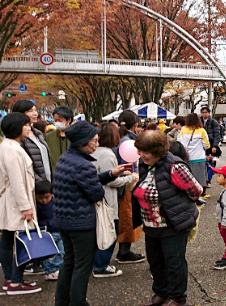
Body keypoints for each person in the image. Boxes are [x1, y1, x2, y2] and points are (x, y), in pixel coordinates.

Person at [53, 121, 131, 306]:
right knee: (82, 266)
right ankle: (78, 302)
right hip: (81, 223)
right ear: (83, 141)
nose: (97, 144)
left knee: (69, 262)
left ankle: (62, 301)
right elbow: (96, 192)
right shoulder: (84, 165)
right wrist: (109, 179)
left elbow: (85, 181)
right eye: (94, 141)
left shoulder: (66, 158)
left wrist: (110, 174)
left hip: (64, 219)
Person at [132, 131, 202, 306]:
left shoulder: (175, 166)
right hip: (150, 223)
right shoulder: (145, 164)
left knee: (174, 262)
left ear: (157, 150)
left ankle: (177, 298)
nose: (141, 155)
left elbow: (196, 190)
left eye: (145, 151)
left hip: (172, 224)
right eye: (139, 151)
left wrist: (176, 203)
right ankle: (161, 293)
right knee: (155, 261)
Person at [0, 112, 41, 295]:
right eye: (26, 125)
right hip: (15, 201)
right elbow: (16, 180)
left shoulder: (9, 146)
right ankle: (14, 281)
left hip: (12, 201)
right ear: (17, 127)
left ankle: (11, 279)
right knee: (21, 240)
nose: (29, 128)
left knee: (8, 238)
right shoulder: (12, 149)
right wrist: (25, 206)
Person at [92, 124, 138, 278]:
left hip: (96, 198)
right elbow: (110, 180)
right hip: (107, 198)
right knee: (110, 230)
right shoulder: (107, 154)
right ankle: (101, 265)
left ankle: (97, 263)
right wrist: (130, 178)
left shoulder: (94, 152)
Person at [114, 110, 146, 264]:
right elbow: (131, 166)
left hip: (119, 184)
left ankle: (123, 250)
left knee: (124, 218)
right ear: (135, 125)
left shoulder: (117, 138)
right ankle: (124, 252)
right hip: (128, 185)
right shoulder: (128, 142)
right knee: (128, 218)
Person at [13, 100, 52, 182]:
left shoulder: (38, 134)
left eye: (35, 110)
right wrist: (39, 182)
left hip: (47, 183)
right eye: (30, 111)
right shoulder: (18, 137)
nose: (35, 114)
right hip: (33, 184)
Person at [35, 180, 64, 282]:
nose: (44, 200)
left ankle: (56, 268)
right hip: (46, 232)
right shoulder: (36, 207)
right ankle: (50, 271)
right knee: (48, 254)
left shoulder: (55, 202)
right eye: (40, 198)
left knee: (62, 251)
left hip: (57, 230)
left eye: (47, 197)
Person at [178, 113, 210, 194]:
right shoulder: (201, 131)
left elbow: (179, 143)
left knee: (188, 177)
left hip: (187, 157)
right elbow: (207, 145)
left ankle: (190, 192)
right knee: (201, 177)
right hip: (199, 157)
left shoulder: (183, 130)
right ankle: (201, 192)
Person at [45, 106, 73, 171]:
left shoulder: (77, 136)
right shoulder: (49, 137)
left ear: (69, 120)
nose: (57, 122)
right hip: (55, 174)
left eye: (60, 120)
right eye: (55, 120)